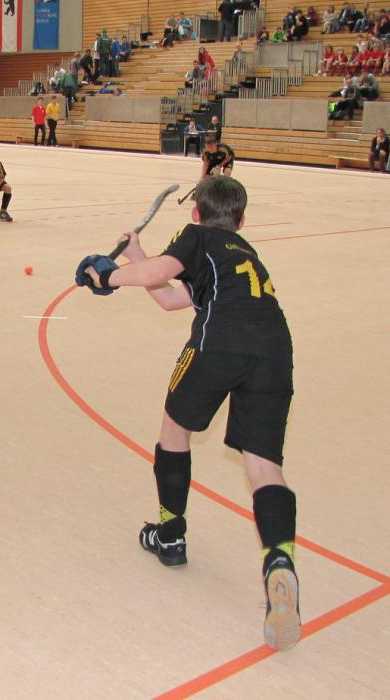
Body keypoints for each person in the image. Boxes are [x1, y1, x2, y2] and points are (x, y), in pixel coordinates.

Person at [75, 176, 301, 653]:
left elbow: (161, 272)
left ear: (195, 214)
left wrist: (107, 275)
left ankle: (170, 534)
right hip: (275, 349)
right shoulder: (243, 256)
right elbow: (170, 296)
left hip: (220, 342)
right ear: (242, 220)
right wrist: (136, 255)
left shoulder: (197, 236)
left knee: (174, 430)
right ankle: (280, 564)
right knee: (264, 465)